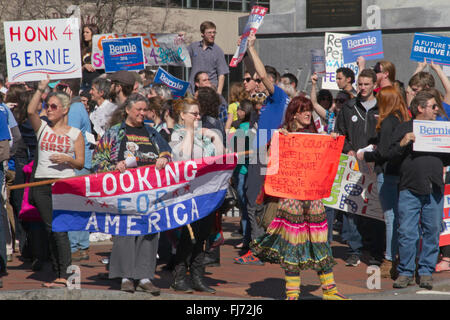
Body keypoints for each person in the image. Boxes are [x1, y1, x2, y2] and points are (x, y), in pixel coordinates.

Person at [250, 95, 349, 300]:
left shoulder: (316, 136)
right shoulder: (282, 135)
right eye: (303, 109)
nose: (307, 113)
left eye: (309, 109)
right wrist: (278, 142)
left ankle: (330, 291)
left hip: (313, 199)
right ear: (293, 113)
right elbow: (268, 162)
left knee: (321, 242)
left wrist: (331, 143)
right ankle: (292, 293)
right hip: (290, 198)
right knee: (293, 244)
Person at [92, 93, 171, 294]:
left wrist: (164, 158)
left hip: (150, 192)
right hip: (124, 192)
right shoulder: (113, 133)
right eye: (139, 110)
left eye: (145, 110)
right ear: (127, 110)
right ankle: (126, 277)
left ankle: (144, 277)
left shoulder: (152, 132)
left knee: (149, 232)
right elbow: (97, 162)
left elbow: (167, 151)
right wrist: (113, 166)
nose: (142, 113)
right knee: (125, 232)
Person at [234, 32, 289, 265]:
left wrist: (253, 48)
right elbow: (254, 72)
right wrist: (245, 51)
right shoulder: (261, 104)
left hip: (267, 157)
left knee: (257, 203)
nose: (253, 84)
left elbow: (262, 75)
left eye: (257, 81)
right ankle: (262, 247)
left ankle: (258, 251)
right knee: (252, 201)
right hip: (256, 157)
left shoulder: (278, 98)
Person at [27, 78, 85, 288]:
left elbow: (80, 163)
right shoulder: (42, 128)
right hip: (41, 184)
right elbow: (31, 111)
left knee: (59, 228)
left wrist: (66, 159)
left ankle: (65, 275)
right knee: (50, 228)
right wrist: (41, 88)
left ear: (64, 109)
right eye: (47, 106)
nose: (48, 110)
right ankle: (59, 272)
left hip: (63, 184)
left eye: (53, 106)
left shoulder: (75, 133)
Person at [389, 90, 450, 290]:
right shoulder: (404, 127)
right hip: (409, 187)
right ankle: (405, 271)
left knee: (432, 230)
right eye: (433, 107)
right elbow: (389, 155)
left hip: (434, 187)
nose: (436, 110)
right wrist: (403, 143)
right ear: (420, 108)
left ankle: (425, 271)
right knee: (407, 232)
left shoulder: (441, 128)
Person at [169, 97, 224, 294]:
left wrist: (213, 136)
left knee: (202, 236)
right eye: (194, 113)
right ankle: (179, 276)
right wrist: (191, 131)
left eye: (198, 113)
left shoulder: (205, 135)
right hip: (187, 194)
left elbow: (220, 157)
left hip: (206, 193)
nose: (198, 116)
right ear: (183, 116)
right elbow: (184, 157)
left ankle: (198, 276)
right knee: (187, 236)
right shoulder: (177, 136)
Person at [356, 86, 411, 279]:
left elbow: (384, 152)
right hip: (401, 173)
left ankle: (389, 258)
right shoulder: (402, 119)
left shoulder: (388, 121)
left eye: (380, 99)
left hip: (387, 173)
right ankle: (399, 256)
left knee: (390, 217)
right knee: (400, 218)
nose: (377, 103)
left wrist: (366, 154)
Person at [334, 68, 385, 267]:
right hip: (353, 164)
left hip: (375, 164)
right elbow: (340, 133)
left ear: (374, 85)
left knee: (374, 208)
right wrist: (349, 150)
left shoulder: (382, 107)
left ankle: (375, 251)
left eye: (366, 84)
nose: (362, 88)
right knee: (352, 209)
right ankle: (354, 250)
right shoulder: (348, 107)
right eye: (360, 84)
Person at [187, 21, 229, 96]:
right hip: (192, 90)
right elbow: (180, 56)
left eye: (214, 32)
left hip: (209, 93)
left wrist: (219, 93)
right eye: (209, 32)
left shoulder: (218, 51)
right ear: (202, 34)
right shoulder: (193, 47)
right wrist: (179, 41)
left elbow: (222, 74)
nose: (212, 35)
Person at [80, 24, 103, 91]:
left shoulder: (101, 48)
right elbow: (78, 69)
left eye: (87, 32)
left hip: (98, 84)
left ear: (94, 33)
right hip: (85, 84)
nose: (84, 34)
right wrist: (84, 66)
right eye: (83, 32)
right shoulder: (83, 49)